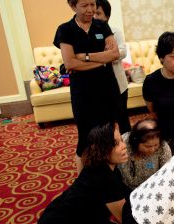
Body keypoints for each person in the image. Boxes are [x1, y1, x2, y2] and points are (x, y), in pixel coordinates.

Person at [34, 122, 131, 224]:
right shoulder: (105, 178)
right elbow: (126, 221)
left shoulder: (101, 167)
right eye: (116, 143)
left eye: (121, 140)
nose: (124, 146)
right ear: (103, 150)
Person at [55, 0, 131, 174]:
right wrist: (101, 61)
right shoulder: (65, 30)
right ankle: (84, 180)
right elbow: (70, 63)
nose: (90, 9)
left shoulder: (101, 26)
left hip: (109, 90)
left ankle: (114, 175)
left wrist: (85, 57)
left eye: (92, 4)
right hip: (83, 93)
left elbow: (114, 54)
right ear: (73, 6)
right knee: (86, 137)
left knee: (111, 133)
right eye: (84, 5)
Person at [94, 0, 131, 132]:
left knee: (122, 118)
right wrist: (106, 55)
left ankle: (127, 147)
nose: (94, 17)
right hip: (98, 85)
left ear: (107, 17)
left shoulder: (115, 32)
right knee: (103, 121)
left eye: (98, 13)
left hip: (119, 84)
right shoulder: (88, 35)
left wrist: (107, 55)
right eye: (93, 13)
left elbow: (122, 51)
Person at [118, 118, 172, 189]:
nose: (152, 149)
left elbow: (166, 171)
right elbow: (125, 176)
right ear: (136, 142)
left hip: (155, 186)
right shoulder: (124, 145)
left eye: (155, 145)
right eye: (147, 146)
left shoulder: (163, 147)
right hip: (128, 188)